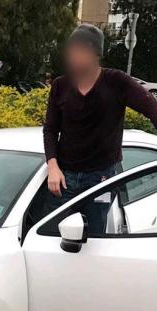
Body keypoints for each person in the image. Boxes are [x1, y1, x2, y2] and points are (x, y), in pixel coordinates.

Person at [43, 24, 157, 234]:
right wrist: (52, 166)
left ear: (95, 53)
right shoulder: (61, 85)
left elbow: (152, 108)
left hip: (101, 178)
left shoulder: (117, 82)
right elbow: (50, 129)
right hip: (64, 177)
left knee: (93, 238)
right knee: (53, 236)